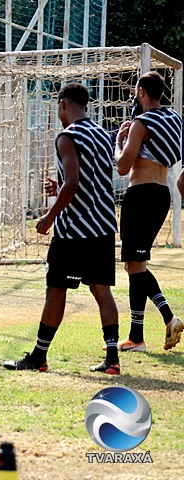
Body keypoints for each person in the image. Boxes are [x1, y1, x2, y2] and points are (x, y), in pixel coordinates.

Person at [3, 83, 121, 375]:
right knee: (102, 292)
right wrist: (61, 188)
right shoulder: (103, 135)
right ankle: (113, 359)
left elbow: (73, 184)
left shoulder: (67, 137)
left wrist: (49, 216)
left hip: (74, 232)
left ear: (63, 104)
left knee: (56, 290)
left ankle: (38, 357)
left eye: (57, 107)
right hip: (103, 227)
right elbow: (91, 180)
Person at [114, 71, 183, 353]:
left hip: (140, 194)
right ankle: (136, 336)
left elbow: (122, 166)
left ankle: (167, 318)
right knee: (135, 265)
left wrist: (120, 140)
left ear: (142, 91)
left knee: (135, 264)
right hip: (161, 194)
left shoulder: (141, 123)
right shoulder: (174, 119)